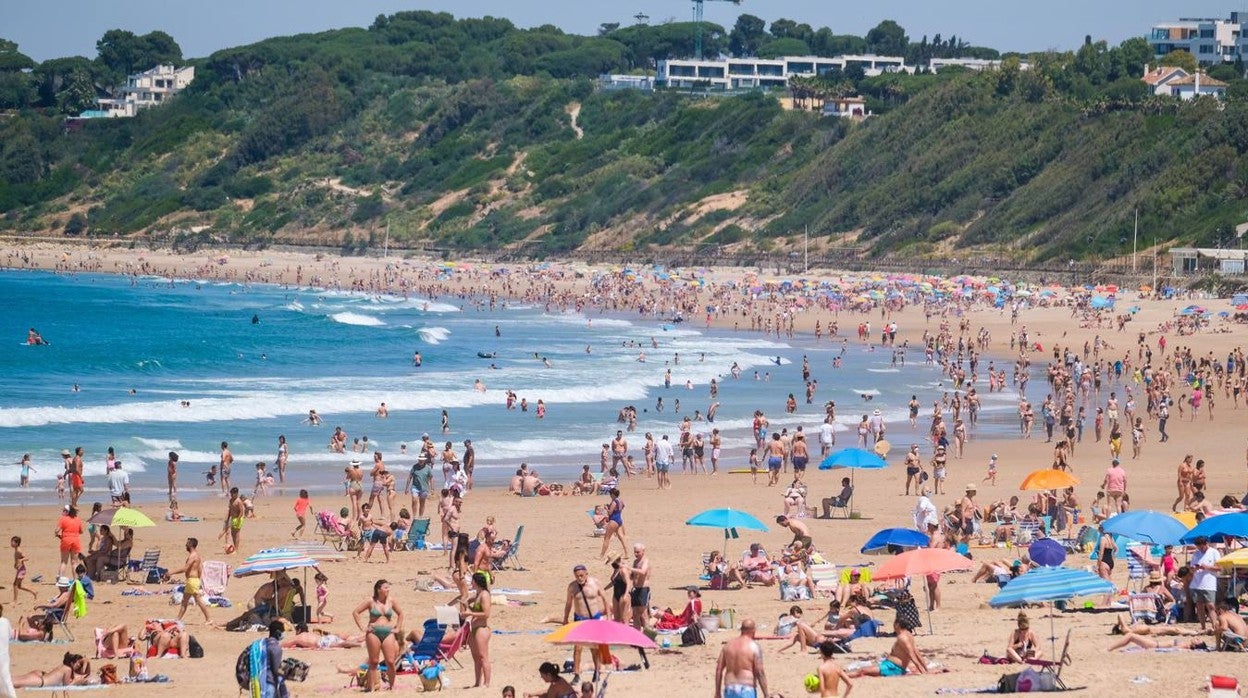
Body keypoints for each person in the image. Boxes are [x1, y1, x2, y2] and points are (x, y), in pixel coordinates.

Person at [353, 579, 404, 692]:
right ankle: (372, 688)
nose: (388, 589)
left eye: (388, 587)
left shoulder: (391, 601)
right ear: (378, 589)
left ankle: (392, 686)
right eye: (386, 587)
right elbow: (356, 612)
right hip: (373, 632)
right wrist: (363, 627)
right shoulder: (370, 601)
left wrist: (398, 628)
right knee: (374, 661)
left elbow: (400, 613)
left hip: (388, 632)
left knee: (390, 661)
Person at [562, 565, 608, 682]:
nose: (579, 578)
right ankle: (576, 674)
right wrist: (565, 618)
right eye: (577, 576)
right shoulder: (572, 587)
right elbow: (568, 604)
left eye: (582, 575)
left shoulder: (595, 583)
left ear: (586, 574)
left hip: (594, 618)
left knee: (594, 648)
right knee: (578, 648)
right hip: (579, 618)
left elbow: (605, 600)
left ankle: (597, 672)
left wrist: (609, 618)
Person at [847, 618, 928, 677]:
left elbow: (912, 655)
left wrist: (923, 671)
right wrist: (925, 669)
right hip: (890, 665)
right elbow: (917, 653)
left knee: (862, 671)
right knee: (865, 671)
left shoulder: (902, 638)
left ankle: (841, 676)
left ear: (897, 625)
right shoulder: (908, 634)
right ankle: (843, 675)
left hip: (892, 667)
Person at [714, 618, 771, 698]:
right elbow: (760, 672)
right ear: (753, 630)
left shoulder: (727, 645)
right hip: (746, 689)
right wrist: (766, 694)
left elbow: (719, 670)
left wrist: (717, 692)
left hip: (730, 688)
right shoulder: (754, 646)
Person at [462, 571, 493, 688]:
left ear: (476, 582)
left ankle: (487, 682)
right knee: (476, 658)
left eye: (472, 581)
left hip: (481, 629)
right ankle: (477, 682)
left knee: (483, 656)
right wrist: (466, 607)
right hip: (474, 628)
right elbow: (472, 608)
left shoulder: (484, 595)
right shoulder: (478, 594)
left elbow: (486, 614)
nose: (471, 583)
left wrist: (470, 612)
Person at [170, 537, 210, 623]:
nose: (186, 545)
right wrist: (197, 580)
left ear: (191, 545)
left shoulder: (193, 556)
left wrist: (171, 572)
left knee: (198, 600)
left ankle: (209, 619)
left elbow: (185, 568)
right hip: (192, 581)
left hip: (192, 581)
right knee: (185, 601)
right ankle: (177, 619)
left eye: (187, 544)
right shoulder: (197, 556)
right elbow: (200, 569)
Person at [1189, 536, 1221, 631]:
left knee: (1211, 605)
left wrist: (1207, 567)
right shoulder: (1196, 554)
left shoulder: (1214, 552)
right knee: (1199, 606)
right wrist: (1195, 568)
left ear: (1206, 543)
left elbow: (1220, 568)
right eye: (1198, 547)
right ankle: (1203, 627)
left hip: (1209, 582)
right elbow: (1191, 569)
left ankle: (1214, 626)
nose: (1200, 548)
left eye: (1202, 546)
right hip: (1197, 583)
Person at [11, 653, 91, 688]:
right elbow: (66, 687)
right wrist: (76, 682)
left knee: (10, 680)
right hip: (39, 680)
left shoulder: (64, 667)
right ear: (72, 662)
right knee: (12, 683)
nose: (79, 666)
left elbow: (86, 674)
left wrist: (88, 662)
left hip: (39, 676)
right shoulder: (68, 669)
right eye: (78, 663)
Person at [599, 488, 627, 560]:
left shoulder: (614, 501)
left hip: (613, 520)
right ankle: (626, 553)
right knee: (621, 537)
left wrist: (606, 508)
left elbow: (610, 512)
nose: (610, 496)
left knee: (607, 538)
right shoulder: (621, 501)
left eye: (610, 494)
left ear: (612, 494)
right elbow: (620, 508)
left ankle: (601, 556)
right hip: (619, 519)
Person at [55, 505, 82, 578]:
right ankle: (76, 580)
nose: (63, 512)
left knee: (64, 561)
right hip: (75, 540)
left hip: (66, 540)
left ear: (67, 512)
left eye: (64, 510)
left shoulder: (63, 519)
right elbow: (81, 531)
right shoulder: (77, 519)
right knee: (74, 562)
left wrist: (59, 535)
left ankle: (60, 579)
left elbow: (56, 531)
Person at [11, 536, 37, 601]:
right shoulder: (16, 549)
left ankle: (15, 601)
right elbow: (17, 558)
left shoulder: (19, 550)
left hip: (21, 570)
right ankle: (33, 592)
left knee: (15, 585)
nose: (11, 543)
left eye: (12, 542)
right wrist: (16, 563)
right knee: (19, 586)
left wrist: (20, 560)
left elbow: (26, 558)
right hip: (19, 569)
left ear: (17, 543)